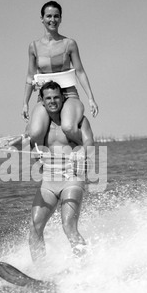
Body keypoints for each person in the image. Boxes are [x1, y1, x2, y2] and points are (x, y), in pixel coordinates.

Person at [28, 82, 95, 262]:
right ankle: (41, 272)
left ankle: (86, 267)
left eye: (56, 97)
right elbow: (33, 151)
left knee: (68, 226)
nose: (53, 101)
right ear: (42, 101)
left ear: (63, 98)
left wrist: (82, 151)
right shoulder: (39, 126)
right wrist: (38, 155)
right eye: (48, 98)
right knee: (35, 227)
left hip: (72, 179)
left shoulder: (78, 120)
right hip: (49, 181)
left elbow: (89, 143)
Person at [22, 0, 99, 147]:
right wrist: (25, 103)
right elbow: (30, 77)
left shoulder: (69, 43)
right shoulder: (34, 47)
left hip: (69, 95)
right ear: (42, 19)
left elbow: (80, 72)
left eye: (56, 16)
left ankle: (83, 149)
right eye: (49, 16)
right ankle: (42, 160)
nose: (52, 20)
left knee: (68, 127)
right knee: (36, 132)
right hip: (45, 98)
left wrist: (91, 99)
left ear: (61, 19)